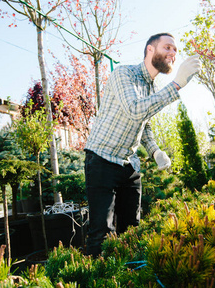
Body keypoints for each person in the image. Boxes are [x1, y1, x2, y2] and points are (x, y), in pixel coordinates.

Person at [84, 32, 201, 257]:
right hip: (102, 159)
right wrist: (177, 84)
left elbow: (143, 125)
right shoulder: (123, 74)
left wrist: (155, 150)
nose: (173, 53)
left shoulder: (151, 88)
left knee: (132, 231)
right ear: (150, 49)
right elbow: (135, 110)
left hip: (129, 165)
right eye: (167, 47)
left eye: (175, 50)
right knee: (101, 233)